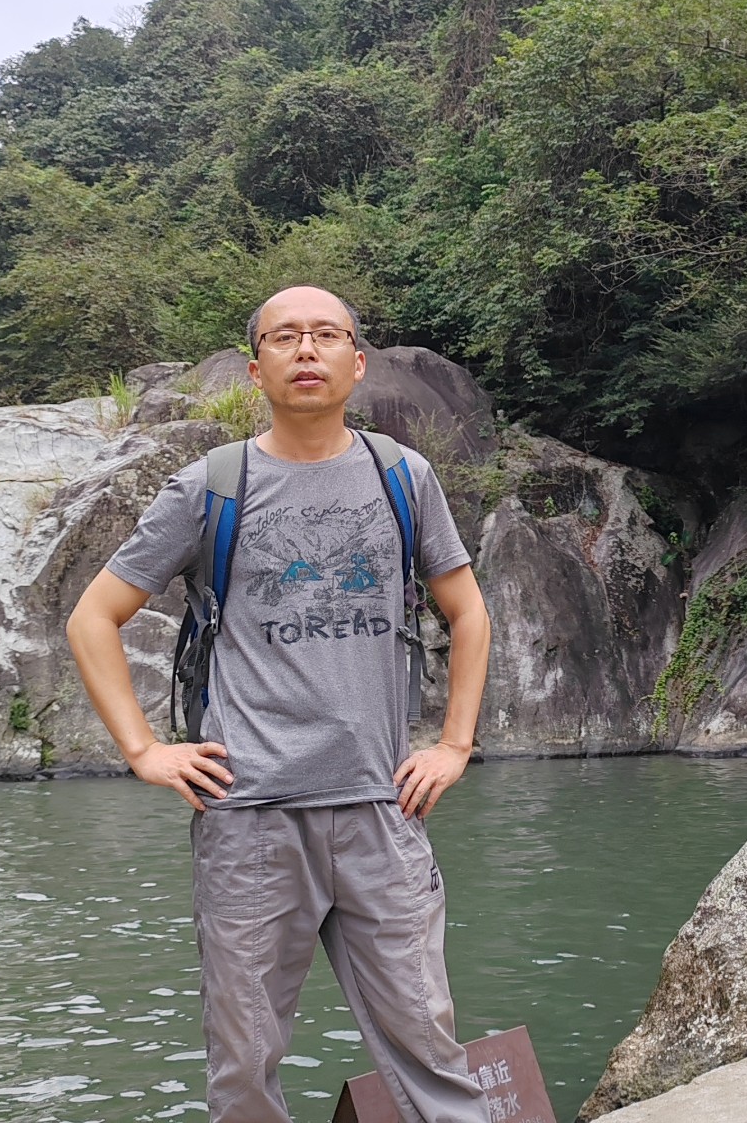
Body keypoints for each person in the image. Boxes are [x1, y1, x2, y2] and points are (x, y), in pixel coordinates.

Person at [67, 284, 492, 1123]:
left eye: (326, 335)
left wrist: (454, 745)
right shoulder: (211, 488)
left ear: (357, 363)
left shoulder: (404, 478)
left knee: (430, 1048)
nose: (306, 350)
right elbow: (93, 617)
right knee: (245, 1064)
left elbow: (467, 610)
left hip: (381, 806)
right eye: (285, 337)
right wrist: (145, 750)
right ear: (254, 368)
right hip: (250, 820)